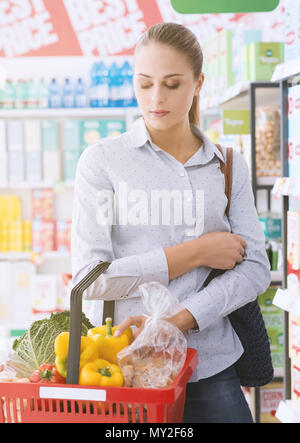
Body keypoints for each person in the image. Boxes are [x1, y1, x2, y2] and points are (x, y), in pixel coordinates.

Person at [71, 22, 271, 423]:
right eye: (144, 84)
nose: (156, 98)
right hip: (125, 371)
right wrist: (194, 252)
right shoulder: (103, 162)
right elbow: (89, 279)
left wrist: (176, 322)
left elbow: (255, 269)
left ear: (198, 83)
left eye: (172, 84)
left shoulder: (228, 165)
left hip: (211, 366)